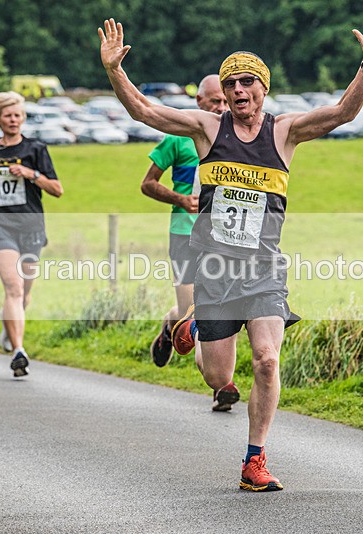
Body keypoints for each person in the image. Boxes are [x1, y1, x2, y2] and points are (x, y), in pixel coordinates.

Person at [100, 13, 363, 491]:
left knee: (265, 359)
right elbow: (144, 112)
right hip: (215, 270)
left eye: (248, 83)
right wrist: (116, 71)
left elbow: (342, 112)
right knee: (220, 378)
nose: (239, 90)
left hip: (263, 270)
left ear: (263, 88)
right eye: (232, 83)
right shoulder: (205, 128)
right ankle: (194, 325)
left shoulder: (284, 132)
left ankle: (254, 460)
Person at [142, 74, 238, 409]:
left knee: (218, 310)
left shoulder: (236, 138)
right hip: (184, 232)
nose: (222, 107)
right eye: (215, 101)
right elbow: (147, 184)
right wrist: (181, 199)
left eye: (225, 101)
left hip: (223, 239)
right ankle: (174, 324)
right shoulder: (178, 139)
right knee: (190, 312)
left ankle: (221, 386)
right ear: (199, 101)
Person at [0, 91, 64, 377]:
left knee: (25, 293)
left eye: (18, 115)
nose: (13, 120)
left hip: (31, 226)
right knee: (13, 286)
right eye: (8, 115)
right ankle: (19, 350)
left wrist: (30, 174)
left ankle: (8, 325)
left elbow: (57, 189)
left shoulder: (36, 149)